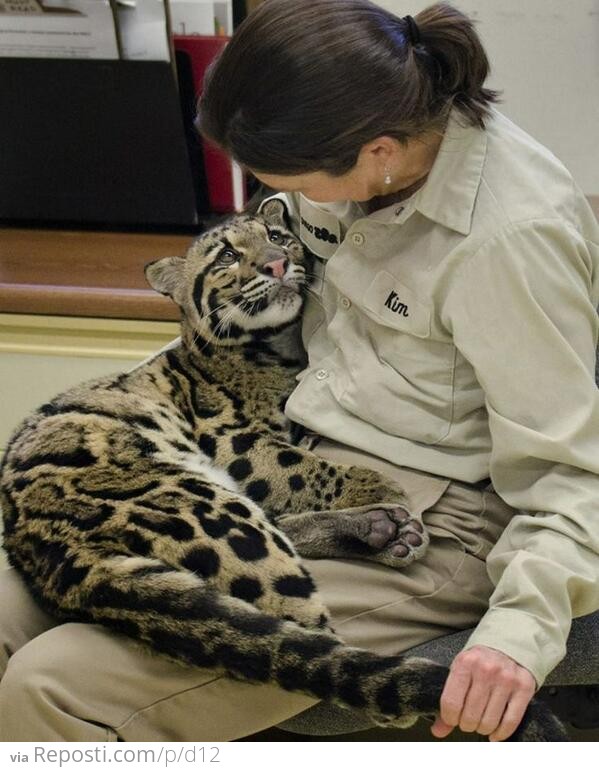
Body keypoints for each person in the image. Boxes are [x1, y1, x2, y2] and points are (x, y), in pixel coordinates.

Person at [1, 0, 598, 743]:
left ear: (378, 152)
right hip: (297, 460)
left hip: (435, 519)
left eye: (297, 184)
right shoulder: (367, 145)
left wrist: (517, 635)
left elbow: (570, 477)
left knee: (52, 688)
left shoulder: (506, 242)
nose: (283, 207)